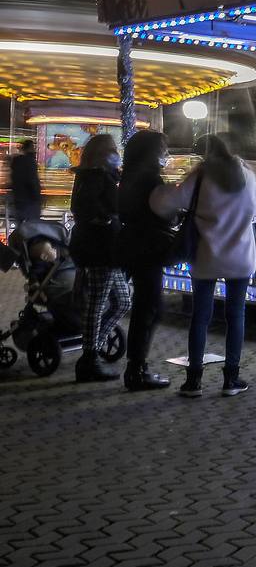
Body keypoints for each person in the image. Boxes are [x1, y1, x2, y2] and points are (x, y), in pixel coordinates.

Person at [156, 134, 256, 397]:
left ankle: (194, 381)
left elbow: (167, 202)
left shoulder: (200, 176)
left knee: (200, 317)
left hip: (206, 255)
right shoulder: (247, 176)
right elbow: (252, 211)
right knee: (236, 316)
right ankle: (231, 379)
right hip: (240, 255)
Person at [115, 131, 174, 391]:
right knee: (150, 307)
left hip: (131, 244)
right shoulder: (150, 179)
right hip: (148, 247)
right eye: (163, 149)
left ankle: (136, 366)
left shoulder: (129, 176)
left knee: (145, 306)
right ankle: (137, 369)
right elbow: (162, 214)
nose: (166, 154)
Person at [70, 133, 130, 382]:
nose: (117, 154)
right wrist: (104, 217)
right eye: (113, 150)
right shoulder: (94, 176)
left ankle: (94, 346)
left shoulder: (100, 176)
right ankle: (89, 357)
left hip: (107, 250)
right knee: (97, 303)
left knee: (123, 302)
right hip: (99, 249)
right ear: (103, 154)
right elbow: (86, 208)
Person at [9, 138, 42, 225]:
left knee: (21, 229)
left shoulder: (16, 161)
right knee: (31, 228)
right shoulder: (30, 162)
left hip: (18, 201)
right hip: (30, 203)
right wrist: (38, 198)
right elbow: (32, 181)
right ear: (30, 148)